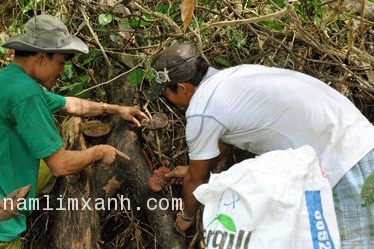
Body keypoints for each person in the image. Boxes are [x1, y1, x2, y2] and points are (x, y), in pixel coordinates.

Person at [0, 14, 148, 248]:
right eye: (60, 62)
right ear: (42, 57)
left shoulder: (8, 81)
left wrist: (116, 109)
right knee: (59, 161)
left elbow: (70, 104)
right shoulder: (25, 94)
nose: (61, 70)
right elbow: (60, 165)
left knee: (45, 163)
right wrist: (98, 152)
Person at [149, 44, 374, 248]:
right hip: (362, 145)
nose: (167, 100)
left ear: (183, 88)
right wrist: (192, 170)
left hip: (343, 165)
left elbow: (195, 181)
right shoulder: (234, 77)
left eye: (166, 93)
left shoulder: (201, 109)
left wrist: (186, 218)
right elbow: (221, 144)